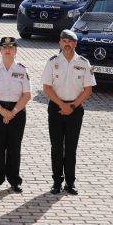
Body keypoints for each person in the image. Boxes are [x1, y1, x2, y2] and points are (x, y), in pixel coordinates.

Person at [42, 29, 95, 195]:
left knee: (71, 147)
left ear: (75, 44)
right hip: (56, 108)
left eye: (70, 41)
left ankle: (70, 183)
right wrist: (61, 105)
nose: (67, 44)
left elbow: (88, 90)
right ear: (60, 43)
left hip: (75, 109)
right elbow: (47, 88)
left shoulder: (84, 63)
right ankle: (57, 182)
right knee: (57, 147)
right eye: (64, 41)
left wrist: (72, 106)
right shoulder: (52, 62)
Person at [0, 36, 31, 193]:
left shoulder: (22, 70)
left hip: (17, 111)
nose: (8, 50)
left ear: (16, 51)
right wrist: (2, 111)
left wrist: (13, 112)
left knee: (14, 147)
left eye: (11, 47)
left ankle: (14, 180)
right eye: (5, 47)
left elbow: (27, 95)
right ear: (0, 50)